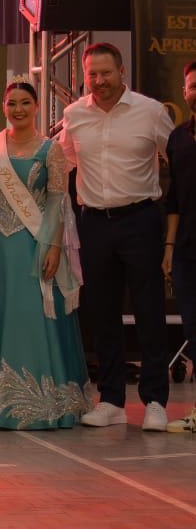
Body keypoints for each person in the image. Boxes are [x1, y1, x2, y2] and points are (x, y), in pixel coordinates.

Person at [0, 79, 90, 429]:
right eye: (12, 103)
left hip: (32, 243)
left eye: (25, 103)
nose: (18, 109)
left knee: (28, 315)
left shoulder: (50, 150)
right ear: (4, 107)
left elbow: (58, 201)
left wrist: (53, 246)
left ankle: (34, 401)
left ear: (37, 106)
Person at [61, 42, 174, 430]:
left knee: (149, 310)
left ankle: (155, 400)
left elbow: (177, 159)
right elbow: (63, 164)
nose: (99, 81)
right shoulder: (74, 115)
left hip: (140, 219)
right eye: (91, 74)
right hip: (93, 222)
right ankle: (111, 399)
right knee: (102, 312)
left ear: (122, 72)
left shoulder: (151, 111)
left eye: (106, 73)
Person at [165, 61, 196, 433]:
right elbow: (173, 197)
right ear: (185, 92)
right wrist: (169, 246)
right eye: (193, 85)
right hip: (187, 248)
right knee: (193, 326)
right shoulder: (178, 139)